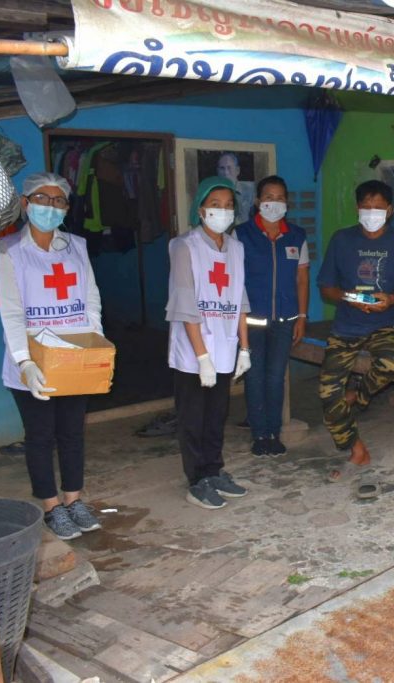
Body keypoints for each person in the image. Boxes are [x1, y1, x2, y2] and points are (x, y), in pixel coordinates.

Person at [0, 171, 104, 540]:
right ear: (25, 203)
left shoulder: (77, 246)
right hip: (33, 360)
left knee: (72, 433)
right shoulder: (10, 249)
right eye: (42, 198)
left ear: (66, 208)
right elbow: (12, 312)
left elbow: (90, 299)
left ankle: (74, 500)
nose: (50, 206)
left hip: (73, 357)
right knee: (40, 436)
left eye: (58, 200)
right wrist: (25, 362)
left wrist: (95, 343)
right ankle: (51, 506)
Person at [317, 180, 394, 483]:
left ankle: (358, 398)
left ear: (390, 210)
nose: (371, 213)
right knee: (327, 393)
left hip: (388, 322)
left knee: (387, 365)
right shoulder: (341, 240)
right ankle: (356, 448)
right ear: (357, 208)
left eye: (378, 207)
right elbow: (326, 287)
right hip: (347, 324)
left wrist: (392, 299)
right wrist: (348, 297)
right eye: (366, 207)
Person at [166, 176, 252, 510]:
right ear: (200, 209)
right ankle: (196, 480)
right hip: (194, 350)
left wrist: (244, 348)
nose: (223, 211)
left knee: (217, 415)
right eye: (215, 205)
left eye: (229, 205)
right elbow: (185, 303)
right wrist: (202, 357)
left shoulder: (236, 248)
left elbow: (240, 300)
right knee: (193, 418)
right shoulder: (184, 246)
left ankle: (214, 471)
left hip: (225, 345)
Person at [237, 175, 310, 457]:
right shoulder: (241, 235)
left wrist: (301, 316)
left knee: (276, 377)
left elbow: (302, 279)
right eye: (269, 197)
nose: (274, 203)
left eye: (280, 198)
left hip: (285, 320)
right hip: (251, 321)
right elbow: (235, 281)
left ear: (287, 203)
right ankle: (259, 435)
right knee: (254, 376)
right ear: (258, 201)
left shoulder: (296, 236)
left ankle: (274, 433)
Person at [217, 152, 256, 226]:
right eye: (222, 168)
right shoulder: (213, 193)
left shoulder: (251, 189)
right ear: (217, 171)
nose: (226, 172)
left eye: (229, 168)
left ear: (237, 170)